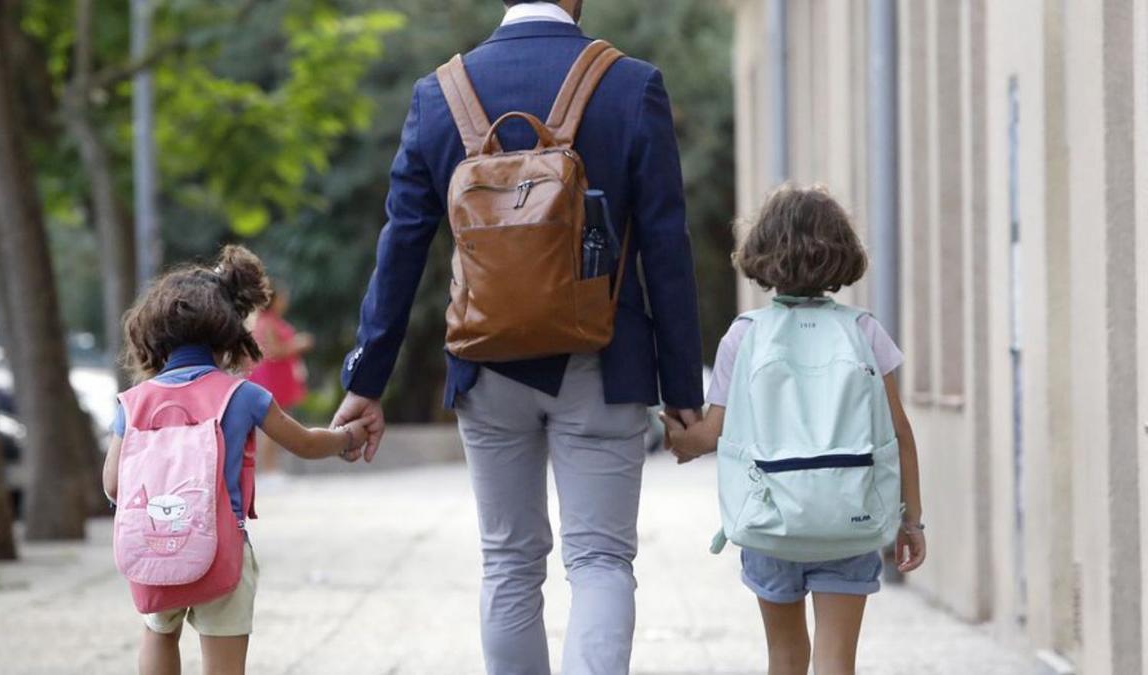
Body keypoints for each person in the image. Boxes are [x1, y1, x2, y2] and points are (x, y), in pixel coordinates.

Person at [332, 1, 705, 673]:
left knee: (508, 561)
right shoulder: (631, 84)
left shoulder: (439, 96)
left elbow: (403, 249)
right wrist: (682, 389)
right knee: (600, 559)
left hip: (486, 364)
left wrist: (366, 379)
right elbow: (665, 246)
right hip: (604, 360)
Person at [661, 185, 927, 675]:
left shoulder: (745, 335)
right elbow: (900, 433)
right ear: (841, 253)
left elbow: (710, 434)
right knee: (836, 661)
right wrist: (911, 523)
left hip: (771, 523)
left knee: (784, 657)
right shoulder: (865, 331)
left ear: (762, 251)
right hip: (850, 519)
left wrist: (678, 438)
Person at [103, 245, 366, 675]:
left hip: (154, 544)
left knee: (158, 632)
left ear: (151, 333)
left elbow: (113, 483)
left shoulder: (132, 403)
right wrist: (345, 438)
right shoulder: (242, 395)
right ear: (229, 331)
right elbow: (303, 442)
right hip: (222, 550)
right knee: (223, 649)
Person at [248, 283, 313, 475]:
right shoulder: (266, 322)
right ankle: (268, 469)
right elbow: (274, 351)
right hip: (272, 377)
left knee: (279, 419)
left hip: (279, 375)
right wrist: (298, 344)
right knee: (275, 422)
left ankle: (271, 467)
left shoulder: (270, 321)